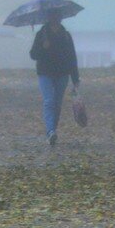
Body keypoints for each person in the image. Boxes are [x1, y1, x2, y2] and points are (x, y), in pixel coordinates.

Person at [28, 16, 79, 147]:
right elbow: (33, 54)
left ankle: (52, 130)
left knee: (57, 103)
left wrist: (75, 79)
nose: (56, 21)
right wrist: (43, 47)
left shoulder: (66, 36)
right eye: (54, 19)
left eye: (58, 18)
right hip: (45, 73)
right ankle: (50, 131)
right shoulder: (41, 35)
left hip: (62, 74)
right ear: (49, 20)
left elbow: (72, 57)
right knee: (49, 101)